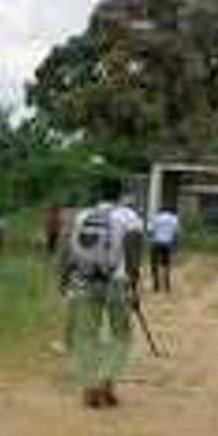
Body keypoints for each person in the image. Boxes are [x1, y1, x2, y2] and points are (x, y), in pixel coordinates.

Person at [59, 175, 144, 410]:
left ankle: (88, 388)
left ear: (99, 194)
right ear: (121, 194)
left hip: (85, 280)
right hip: (116, 281)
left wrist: (64, 280)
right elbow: (134, 254)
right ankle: (106, 384)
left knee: (87, 336)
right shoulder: (129, 217)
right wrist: (134, 286)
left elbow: (68, 251)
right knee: (121, 335)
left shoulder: (82, 216)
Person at [148, 205, 181, 293]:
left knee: (154, 263)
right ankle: (167, 284)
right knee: (166, 264)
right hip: (167, 243)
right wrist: (176, 245)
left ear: (160, 210)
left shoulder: (155, 218)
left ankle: (156, 284)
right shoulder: (174, 219)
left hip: (156, 242)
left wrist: (152, 237)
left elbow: (150, 230)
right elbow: (177, 233)